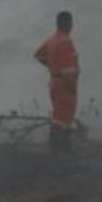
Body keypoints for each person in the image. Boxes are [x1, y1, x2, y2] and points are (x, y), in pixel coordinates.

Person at [34, 11, 79, 153]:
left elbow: (39, 55)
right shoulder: (65, 42)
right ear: (67, 23)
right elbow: (68, 71)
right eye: (71, 22)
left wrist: (52, 67)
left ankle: (59, 150)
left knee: (58, 117)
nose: (72, 25)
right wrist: (72, 88)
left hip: (54, 82)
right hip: (64, 84)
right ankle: (61, 152)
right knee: (63, 120)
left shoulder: (52, 40)